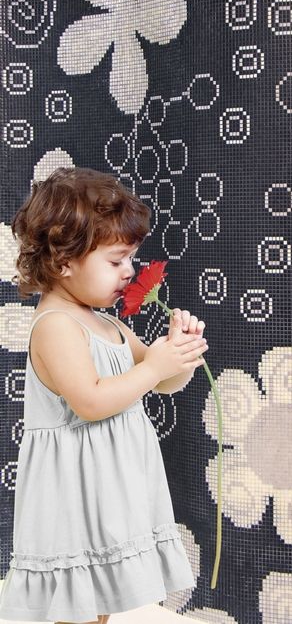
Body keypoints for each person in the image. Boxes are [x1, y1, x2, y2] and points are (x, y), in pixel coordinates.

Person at [0, 167, 208, 624]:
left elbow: (159, 381)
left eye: (131, 258)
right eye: (116, 261)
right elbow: (90, 401)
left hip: (110, 490)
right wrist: (154, 366)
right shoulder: (56, 325)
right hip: (74, 495)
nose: (129, 271)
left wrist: (178, 356)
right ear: (64, 261)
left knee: (100, 604)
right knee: (76, 604)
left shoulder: (107, 323)